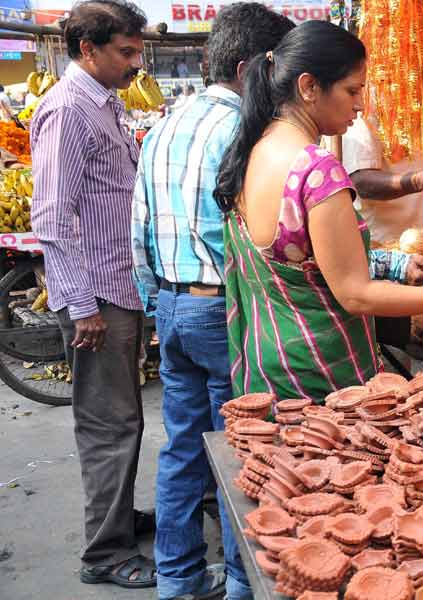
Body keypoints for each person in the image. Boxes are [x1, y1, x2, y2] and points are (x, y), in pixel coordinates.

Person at [212, 21, 423, 400]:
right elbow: (356, 295)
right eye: (352, 90)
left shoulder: (251, 152)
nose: (360, 104)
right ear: (309, 87)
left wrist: (396, 265)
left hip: (271, 364)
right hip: (322, 375)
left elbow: (309, 261)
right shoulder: (315, 169)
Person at [131, 6, 294, 599]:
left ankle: (175, 580)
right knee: (240, 454)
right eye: (278, 71)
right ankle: (240, 584)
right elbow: (252, 243)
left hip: (173, 306)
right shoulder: (245, 135)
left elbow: (139, 231)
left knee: (183, 447)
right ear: (253, 67)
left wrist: (159, 306)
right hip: (221, 312)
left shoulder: (165, 126)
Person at [30, 0, 155, 589]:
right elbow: (54, 218)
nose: (136, 64)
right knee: (109, 424)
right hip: (96, 297)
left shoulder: (101, 103)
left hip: (115, 288)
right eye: (125, 52)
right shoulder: (68, 109)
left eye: (137, 51)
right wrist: (82, 306)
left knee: (121, 418)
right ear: (88, 50)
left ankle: (119, 519)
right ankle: (105, 553)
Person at [340, 113, 423, 244]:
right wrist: (418, 181)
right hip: (392, 248)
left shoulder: (417, 103)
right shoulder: (362, 108)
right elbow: (360, 182)